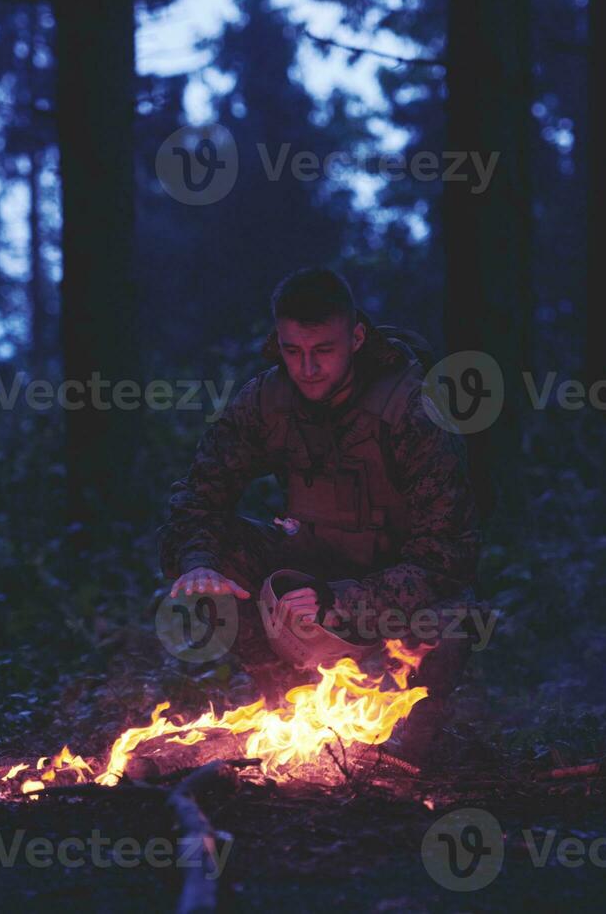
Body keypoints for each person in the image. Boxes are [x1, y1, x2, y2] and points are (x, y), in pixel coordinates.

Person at [157, 267, 483, 769]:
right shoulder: (267, 399)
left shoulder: (414, 411)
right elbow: (199, 494)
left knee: (454, 617)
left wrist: (342, 599)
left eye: (323, 351)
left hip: (391, 587)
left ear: (355, 338)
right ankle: (287, 702)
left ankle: (409, 735)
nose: (307, 368)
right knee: (205, 560)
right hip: (313, 564)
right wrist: (199, 562)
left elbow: (448, 558)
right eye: (292, 351)